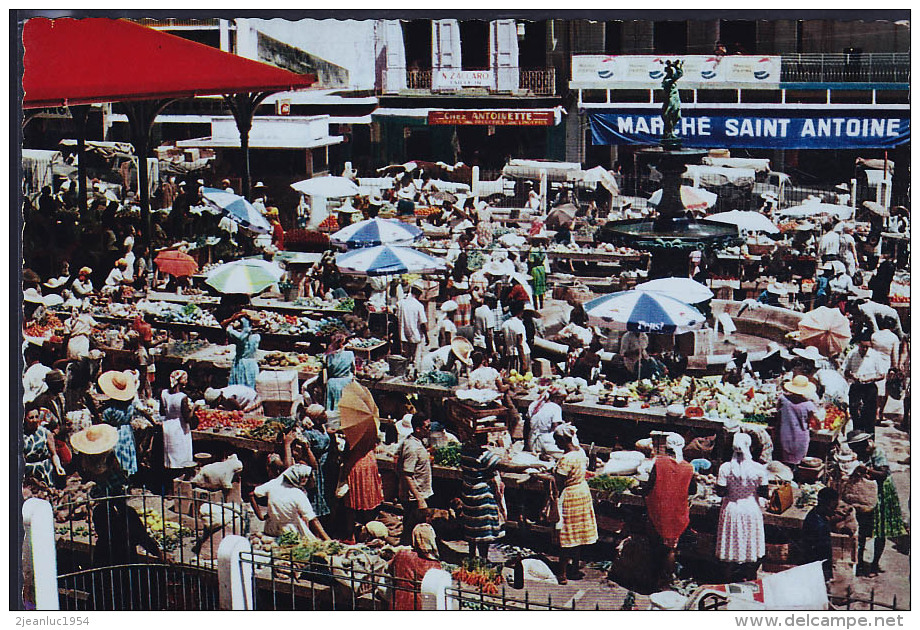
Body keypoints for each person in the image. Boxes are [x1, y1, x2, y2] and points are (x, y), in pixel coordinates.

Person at [847, 431, 906, 577]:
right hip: (866, 495)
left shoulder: (877, 452)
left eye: (855, 447)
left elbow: (883, 474)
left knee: (880, 532)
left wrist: (866, 470)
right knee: (861, 530)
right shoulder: (858, 454)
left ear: (863, 444)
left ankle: (874, 565)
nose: (853, 450)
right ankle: (859, 563)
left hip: (881, 494)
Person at [715, 433, 769, 581]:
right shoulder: (758, 469)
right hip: (751, 509)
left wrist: (733, 491)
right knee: (750, 543)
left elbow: (720, 491)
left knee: (730, 544)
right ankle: (751, 579)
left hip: (732, 508)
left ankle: (726, 581)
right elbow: (764, 492)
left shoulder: (725, 468)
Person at [643, 433, 694, 588]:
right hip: (677, 512)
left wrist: (637, 490)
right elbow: (692, 490)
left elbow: (649, 486)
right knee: (671, 548)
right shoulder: (688, 467)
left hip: (658, 511)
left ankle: (656, 579)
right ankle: (667, 580)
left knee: (656, 546)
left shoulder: (659, 462)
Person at [551, 424, 598, 584]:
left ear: (563, 440)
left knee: (566, 534)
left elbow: (558, 482)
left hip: (570, 496)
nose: (556, 444)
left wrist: (542, 477)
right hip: (582, 492)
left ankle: (562, 573)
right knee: (577, 534)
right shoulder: (580, 452)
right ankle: (575, 567)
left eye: (557, 441)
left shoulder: (566, 459)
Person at [249, 464, 331, 541]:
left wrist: (261, 516)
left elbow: (251, 494)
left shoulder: (273, 484)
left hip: (271, 529)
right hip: (291, 531)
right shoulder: (297, 494)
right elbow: (313, 519)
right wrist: (327, 539)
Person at [460, 433, 505, 560]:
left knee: (471, 528)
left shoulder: (465, 451)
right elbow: (505, 466)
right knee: (482, 531)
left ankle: (471, 557)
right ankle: (483, 559)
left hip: (468, 493)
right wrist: (529, 466)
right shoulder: (484, 456)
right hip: (482, 496)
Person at [294, 404, 337, 521]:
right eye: (322, 413)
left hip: (326, 467)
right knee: (316, 496)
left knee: (327, 494)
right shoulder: (309, 433)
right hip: (316, 468)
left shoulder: (322, 428)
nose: (326, 415)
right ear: (316, 418)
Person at [396, 413, 433, 545]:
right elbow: (407, 474)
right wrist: (419, 498)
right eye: (427, 427)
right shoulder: (412, 447)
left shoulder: (417, 442)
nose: (429, 430)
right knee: (414, 530)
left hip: (419, 493)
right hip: (414, 497)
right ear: (418, 429)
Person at [97, 370, 141, 478]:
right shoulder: (129, 405)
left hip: (114, 432)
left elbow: (104, 421)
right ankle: (128, 478)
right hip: (126, 431)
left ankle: (118, 477)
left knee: (117, 455)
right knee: (127, 452)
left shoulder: (110, 408)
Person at [390, 523, 442, 611]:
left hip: (397, 599)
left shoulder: (401, 554)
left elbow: (390, 569)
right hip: (418, 603)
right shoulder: (434, 565)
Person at [843, 332, 887, 436]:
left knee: (869, 416)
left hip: (869, 388)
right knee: (855, 414)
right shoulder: (852, 354)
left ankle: (869, 441)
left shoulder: (875, 355)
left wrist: (869, 379)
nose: (865, 349)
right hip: (856, 387)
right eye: (863, 347)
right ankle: (857, 440)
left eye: (867, 347)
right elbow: (846, 371)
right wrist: (853, 376)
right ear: (859, 344)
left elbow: (882, 375)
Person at [158, 370, 198, 474]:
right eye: (185, 379)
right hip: (179, 428)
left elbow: (162, 412)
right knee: (181, 457)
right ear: (180, 381)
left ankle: (169, 482)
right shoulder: (182, 397)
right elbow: (187, 418)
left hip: (167, 426)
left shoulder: (164, 393)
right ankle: (179, 480)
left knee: (169, 456)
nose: (187, 381)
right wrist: (194, 408)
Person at [774, 375, 818, 468]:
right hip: (801, 438)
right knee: (797, 463)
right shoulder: (808, 404)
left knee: (784, 463)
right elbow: (815, 421)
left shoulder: (783, 399)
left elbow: (777, 410)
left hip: (784, 435)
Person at [801, 487, 840, 581]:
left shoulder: (816, 514)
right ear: (824, 505)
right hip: (816, 569)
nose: (835, 510)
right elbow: (822, 555)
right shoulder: (819, 526)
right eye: (833, 507)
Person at [22, 404, 66, 487]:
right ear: (24, 419)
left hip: (45, 471)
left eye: (36, 417)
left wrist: (58, 466)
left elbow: (54, 454)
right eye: (31, 418)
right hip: (28, 472)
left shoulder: (45, 433)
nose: (35, 420)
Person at [223, 312, 261, 389]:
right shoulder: (257, 337)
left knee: (239, 384)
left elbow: (225, 327)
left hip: (241, 364)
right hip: (252, 363)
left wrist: (232, 321)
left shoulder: (240, 337)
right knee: (251, 384)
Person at [526, 383, 566, 455]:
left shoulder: (534, 404)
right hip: (546, 441)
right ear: (555, 398)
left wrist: (526, 444)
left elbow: (527, 424)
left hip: (532, 439)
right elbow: (556, 427)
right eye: (561, 399)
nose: (562, 402)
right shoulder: (555, 407)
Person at [323, 331, 355, 413]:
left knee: (331, 409)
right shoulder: (350, 354)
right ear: (342, 344)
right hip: (344, 384)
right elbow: (353, 370)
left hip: (331, 384)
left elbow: (325, 373)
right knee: (344, 409)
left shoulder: (328, 356)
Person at [397, 283, 428, 365]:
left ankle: (406, 373)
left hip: (404, 335)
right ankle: (414, 374)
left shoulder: (401, 303)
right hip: (416, 335)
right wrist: (427, 336)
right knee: (416, 359)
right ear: (419, 293)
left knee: (406, 357)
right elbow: (423, 324)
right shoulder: (419, 305)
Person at [501, 301, 530, 373]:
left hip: (510, 354)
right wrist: (524, 363)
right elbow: (520, 344)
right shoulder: (518, 324)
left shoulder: (505, 324)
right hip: (521, 355)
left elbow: (504, 343)